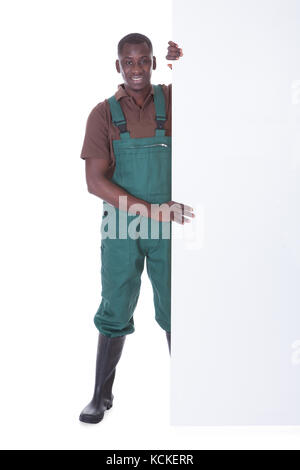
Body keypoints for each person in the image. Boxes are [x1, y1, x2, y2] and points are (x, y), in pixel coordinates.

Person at [79, 33, 195, 424]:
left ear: (153, 63)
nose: (137, 69)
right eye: (128, 62)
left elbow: (212, 94)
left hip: (169, 225)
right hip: (120, 224)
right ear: (118, 67)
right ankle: (100, 394)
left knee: (179, 306)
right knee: (114, 304)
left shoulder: (173, 100)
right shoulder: (102, 113)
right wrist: (151, 211)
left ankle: (190, 390)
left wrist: (184, 60)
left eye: (144, 61)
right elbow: (95, 182)